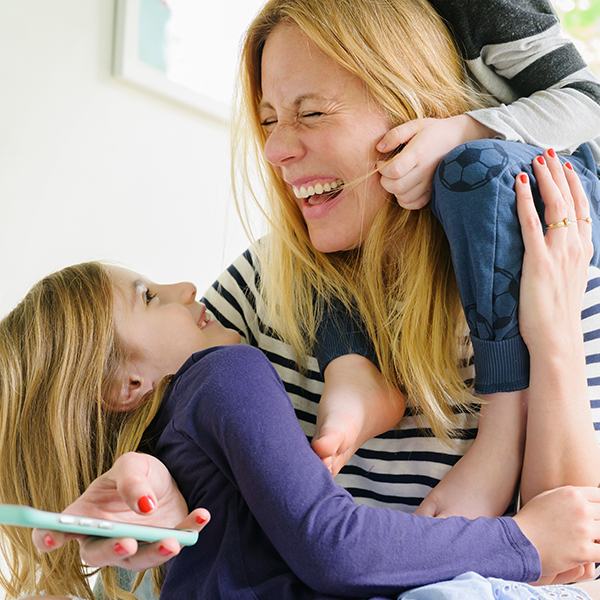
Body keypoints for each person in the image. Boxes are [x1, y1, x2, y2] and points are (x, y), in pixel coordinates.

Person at [18, 157, 600, 599]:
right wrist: (524, 541)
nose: (185, 288)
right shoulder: (222, 371)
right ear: (124, 388)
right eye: (148, 297)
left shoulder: (172, 441)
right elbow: (335, 546)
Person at [308, 0, 600, 500]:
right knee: (325, 237)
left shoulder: (487, 7)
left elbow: (588, 102)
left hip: (555, 186)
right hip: (468, 199)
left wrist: (465, 129)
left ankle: (502, 426)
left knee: (470, 169)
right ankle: (354, 371)